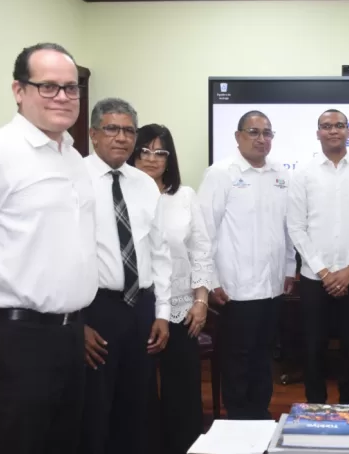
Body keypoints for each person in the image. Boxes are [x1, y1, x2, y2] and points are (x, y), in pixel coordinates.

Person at [0, 42, 98, 454]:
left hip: (69, 334)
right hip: (14, 338)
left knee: (65, 443)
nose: (63, 97)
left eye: (70, 88)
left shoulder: (74, 157)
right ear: (19, 90)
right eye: (48, 87)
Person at [80, 98, 173, 454]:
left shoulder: (145, 184)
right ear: (93, 134)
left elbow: (160, 252)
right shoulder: (74, 180)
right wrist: (77, 323)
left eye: (129, 130)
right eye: (112, 129)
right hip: (96, 309)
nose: (121, 137)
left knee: (139, 406)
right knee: (95, 409)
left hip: (141, 307)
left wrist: (162, 313)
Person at [198, 110, 296, 420]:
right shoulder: (220, 173)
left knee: (263, 356)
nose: (261, 139)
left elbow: (288, 227)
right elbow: (203, 230)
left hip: (271, 288)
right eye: (253, 132)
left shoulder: (281, 175)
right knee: (237, 359)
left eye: (267, 133)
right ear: (238, 136)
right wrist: (210, 279)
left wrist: (289, 268)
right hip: (234, 289)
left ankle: (259, 413)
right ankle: (239, 418)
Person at [129, 124, 213, 454]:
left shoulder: (184, 197)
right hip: (136, 308)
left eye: (160, 152)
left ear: (169, 158)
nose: (151, 159)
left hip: (181, 308)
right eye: (144, 151)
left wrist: (201, 301)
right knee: (139, 390)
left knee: (183, 391)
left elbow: (202, 251)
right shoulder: (121, 195)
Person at [286, 109, 349, 405]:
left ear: (348, 131)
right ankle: (315, 406)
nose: (333, 131)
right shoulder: (302, 174)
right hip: (316, 279)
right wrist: (325, 272)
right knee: (314, 348)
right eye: (326, 126)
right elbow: (296, 227)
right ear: (318, 133)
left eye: (339, 125)